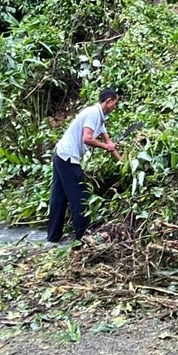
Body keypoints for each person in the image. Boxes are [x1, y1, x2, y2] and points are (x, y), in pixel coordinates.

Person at [48, 88, 122, 243]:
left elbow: (109, 143)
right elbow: (87, 139)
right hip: (67, 157)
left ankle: (53, 237)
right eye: (114, 103)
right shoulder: (93, 114)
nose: (115, 107)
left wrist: (123, 163)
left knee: (59, 198)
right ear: (108, 101)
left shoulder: (100, 117)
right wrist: (105, 147)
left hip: (60, 154)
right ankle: (82, 237)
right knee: (80, 197)